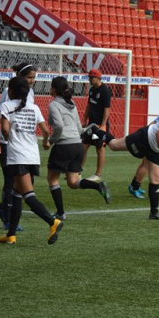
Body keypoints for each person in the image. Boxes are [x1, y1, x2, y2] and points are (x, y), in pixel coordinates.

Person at [0, 77, 64, 245]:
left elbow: (4, 129)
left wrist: (8, 136)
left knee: (28, 195)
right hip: (33, 156)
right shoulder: (34, 107)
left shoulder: (6, 106)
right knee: (16, 193)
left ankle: (52, 222)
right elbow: (46, 130)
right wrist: (46, 141)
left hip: (18, 156)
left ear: (10, 91)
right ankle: (11, 234)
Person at [46, 77, 112, 221]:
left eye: (51, 87)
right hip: (77, 145)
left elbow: (58, 126)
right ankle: (98, 186)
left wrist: (50, 141)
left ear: (55, 89)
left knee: (52, 179)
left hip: (64, 145)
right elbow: (77, 126)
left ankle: (61, 213)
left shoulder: (53, 105)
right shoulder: (72, 103)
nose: (49, 89)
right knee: (72, 182)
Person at [0, 62, 37, 232]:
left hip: (20, 143)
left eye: (33, 78)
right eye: (29, 77)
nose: (32, 81)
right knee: (11, 180)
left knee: (27, 180)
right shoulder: (8, 92)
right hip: (6, 142)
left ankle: (3, 208)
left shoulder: (29, 92)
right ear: (20, 77)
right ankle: (8, 219)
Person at [81, 68, 111, 182]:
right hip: (91, 124)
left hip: (99, 125)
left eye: (91, 78)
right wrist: (84, 119)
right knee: (83, 147)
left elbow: (106, 109)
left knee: (99, 148)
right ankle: (78, 170)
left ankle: (98, 174)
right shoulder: (92, 89)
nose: (89, 80)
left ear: (97, 78)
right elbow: (89, 105)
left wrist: (103, 125)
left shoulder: (105, 91)